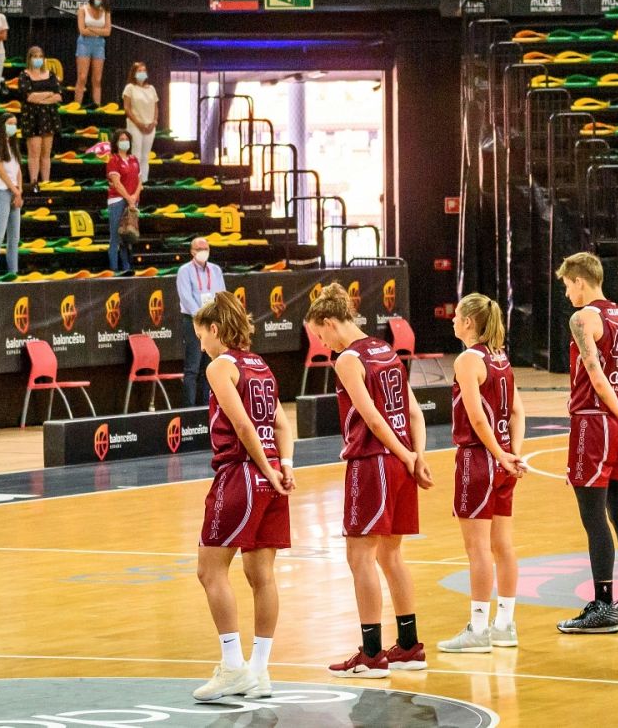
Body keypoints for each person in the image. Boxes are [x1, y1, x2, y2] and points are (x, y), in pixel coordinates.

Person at [306, 283, 432, 678]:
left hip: (373, 462)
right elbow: (414, 412)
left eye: (319, 334)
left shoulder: (347, 359)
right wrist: (416, 456)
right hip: (400, 462)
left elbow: (374, 420)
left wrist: (406, 455)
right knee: (391, 556)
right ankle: (409, 646)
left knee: (359, 558)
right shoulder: (384, 349)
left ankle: (373, 653)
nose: (322, 341)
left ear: (329, 322)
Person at [190, 291, 297, 702]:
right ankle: (260, 672)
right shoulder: (261, 366)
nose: (201, 346)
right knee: (261, 576)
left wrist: (266, 468)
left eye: (202, 336)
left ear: (215, 329)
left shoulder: (222, 366)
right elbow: (282, 425)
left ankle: (233, 667)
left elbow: (242, 425)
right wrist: (284, 466)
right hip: (271, 479)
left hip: (241, 473)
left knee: (209, 570)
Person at [555, 252, 618, 633]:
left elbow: (595, 375)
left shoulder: (583, 318)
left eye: (567, 285)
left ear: (580, 281)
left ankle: (603, 605)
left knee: (594, 518)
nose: (566, 294)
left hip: (594, 424)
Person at [437, 293, 526, 653]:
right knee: (503, 546)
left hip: (478, 460)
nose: (453, 321)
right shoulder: (501, 358)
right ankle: (504, 625)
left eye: (457, 316)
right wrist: (512, 453)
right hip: (502, 459)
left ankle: (477, 629)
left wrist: (497, 455)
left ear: (470, 322)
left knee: (477, 550)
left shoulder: (468, 359)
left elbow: (475, 418)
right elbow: (518, 412)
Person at [178, 237, 226, 406]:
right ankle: (189, 410)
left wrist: (214, 317)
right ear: (192, 251)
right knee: (192, 368)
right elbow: (186, 297)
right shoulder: (184, 271)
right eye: (199, 248)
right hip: (193, 322)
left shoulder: (215, 270)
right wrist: (201, 317)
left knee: (210, 367)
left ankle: (207, 406)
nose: (203, 251)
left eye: (206, 248)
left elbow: (221, 294)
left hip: (212, 324)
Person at [16, 46, 61, 193]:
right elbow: (29, 97)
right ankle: (34, 182)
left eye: (40, 56)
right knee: (34, 152)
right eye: (35, 56)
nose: (38, 59)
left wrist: (41, 98)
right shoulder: (24, 75)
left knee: (46, 153)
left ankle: (46, 182)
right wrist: (48, 94)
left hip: (49, 116)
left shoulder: (51, 74)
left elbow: (58, 96)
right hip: (32, 117)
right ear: (29, 59)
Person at [0, 116, 22, 275]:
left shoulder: (13, 146)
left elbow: (18, 171)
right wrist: (14, 191)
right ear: (2, 125)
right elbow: (1, 171)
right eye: (10, 124)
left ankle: (12, 272)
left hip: (15, 192)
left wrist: (19, 190)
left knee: (14, 239)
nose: (13, 127)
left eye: (15, 124)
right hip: (2, 192)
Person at [105, 127, 141, 273]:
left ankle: (127, 268)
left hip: (133, 201)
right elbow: (117, 183)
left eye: (126, 139)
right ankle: (114, 268)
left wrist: (133, 198)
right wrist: (128, 198)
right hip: (117, 200)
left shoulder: (134, 160)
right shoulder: (113, 160)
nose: (124, 142)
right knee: (116, 236)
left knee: (129, 236)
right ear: (116, 142)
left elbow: (140, 182)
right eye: (121, 140)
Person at [121, 61, 158, 185]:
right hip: (135, 124)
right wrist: (138, 123)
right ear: (134, 73)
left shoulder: (152, 88)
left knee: (145, 156)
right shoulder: (130, 88)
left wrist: (154, 122)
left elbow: (156, 106)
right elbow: (127, 108)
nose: (142, 73)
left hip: (150, 126)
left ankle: (144, 181)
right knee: (136, 155)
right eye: (139, 71)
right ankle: (133, 182)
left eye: (144, 71)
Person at [73, 0, 110, 107]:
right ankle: (76, 106)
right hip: (84, 43)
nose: (99, 1)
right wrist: (99, 31)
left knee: (97, 79)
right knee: (82, 77)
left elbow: (108, 32)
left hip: (99, 44)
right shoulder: (83, 9)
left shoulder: (106, 11)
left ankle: (97, 106)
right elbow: (82, 30)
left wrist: (91, 29)